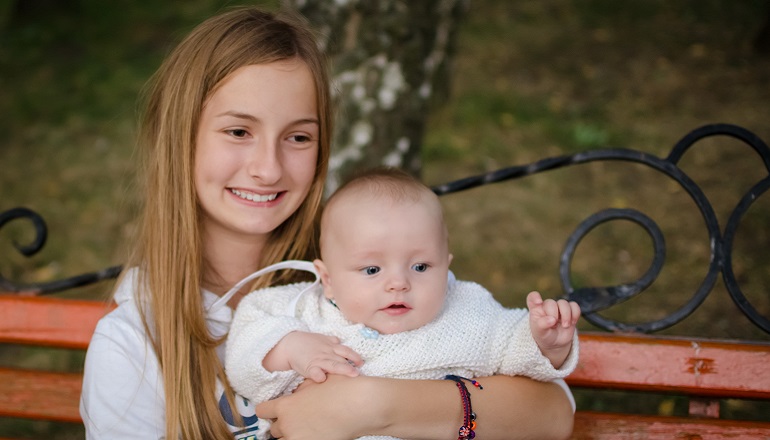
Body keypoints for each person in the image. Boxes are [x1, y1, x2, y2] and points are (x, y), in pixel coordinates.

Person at [79, 6, 577, 440]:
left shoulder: (368, 278)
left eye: (298, 137)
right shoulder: (134, 345)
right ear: (178, 135)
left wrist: (369, 408)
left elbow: (552, 415)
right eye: (238, 131)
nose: (268, 168)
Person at [225, 168, 581, 440]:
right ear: (328, 279)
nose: (399, 283)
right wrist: (288, 347)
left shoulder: (468, 313)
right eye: (372, 269)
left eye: (421, 266)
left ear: (447, 265)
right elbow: (247, 348)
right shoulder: (301, 311)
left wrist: (544, 343)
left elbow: (516, 351)